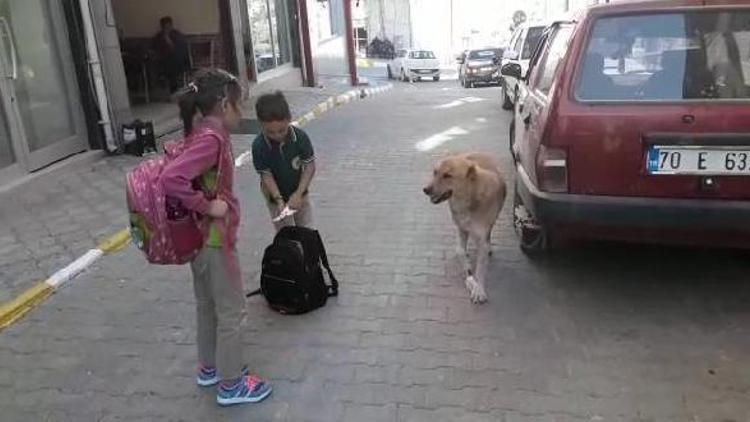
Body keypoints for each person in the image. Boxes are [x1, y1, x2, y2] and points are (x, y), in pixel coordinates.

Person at [160, 69, 272, 406]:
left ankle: (210, 367)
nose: (243, 112)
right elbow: (171, 178)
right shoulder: (212, 140)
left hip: (199, 240)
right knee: (232, 311)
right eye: (240, 105)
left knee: (207, 306)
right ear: (225, 104)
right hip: (213, 240)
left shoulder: (201, 133)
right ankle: (232, 384)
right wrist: (209, 206)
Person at [252, 91, 316, 231]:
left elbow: (309, 166)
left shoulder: (300, 138)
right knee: (286, 235)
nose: (276, 136)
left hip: (300, 193)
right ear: (261, 125)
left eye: (281, 130)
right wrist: (279, 199)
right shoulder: (259, 146)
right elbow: (266, 175)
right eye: (270, 132)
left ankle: (308, 253)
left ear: (289, 120)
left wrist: (299, 194)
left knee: (307, 231)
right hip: (275, 198)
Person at [152, 16, 190, 94]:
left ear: (171, 25)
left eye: (168, 26)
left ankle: (172, 88)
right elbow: (153, 48)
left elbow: (180, 50)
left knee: (172, 63)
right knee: (161, 64)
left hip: (178, 62)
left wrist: (169, 41)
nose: (166, 28)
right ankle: (162, 80)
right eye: (164, 26)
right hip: (162, 62)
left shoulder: (177, 35)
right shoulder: (158, 36)